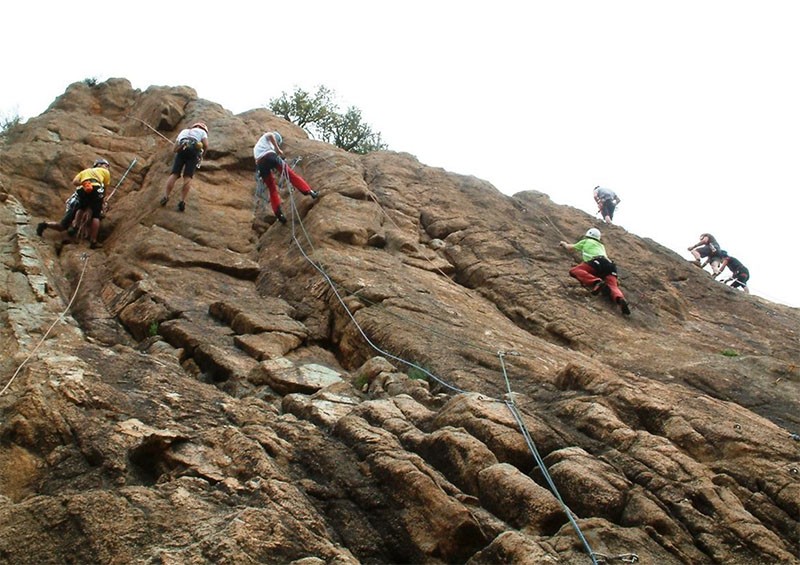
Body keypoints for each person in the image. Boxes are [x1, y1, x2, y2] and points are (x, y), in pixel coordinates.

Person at [36, 158, 111, 249]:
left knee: (79, 209)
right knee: (96, 216)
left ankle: (75, 227)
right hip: (95, 190)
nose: (107, 167)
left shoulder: (85, 171)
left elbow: (75, 182)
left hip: (81, 191)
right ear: (99, 165)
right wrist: (103, 199)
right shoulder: (104, 172)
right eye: (106, 165)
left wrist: (85, 184)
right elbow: (105, 187)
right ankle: (93, 241)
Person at [559, 227, 631, 315]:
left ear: (588, 234)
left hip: (597, 262)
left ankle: (597, 282)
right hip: (611, 266)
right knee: (613, 286)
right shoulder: (601, 246)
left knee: (575, 270)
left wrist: (564, 243)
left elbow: (570, 248)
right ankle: (620, 299)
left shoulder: (586, 241)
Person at [253, 131, 318, 224]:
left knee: (272, 189)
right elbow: (270, 135)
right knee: (290, 174)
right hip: (270, 156)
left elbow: (257, 161)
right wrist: (277, 149)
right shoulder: (267, 136)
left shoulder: (256, 147)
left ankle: (278, 213)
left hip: (260, 164)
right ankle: (309, 191)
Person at [160, 121, 209, 212]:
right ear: (203, 129)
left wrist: (180, 149)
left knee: (174, 174)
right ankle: (182, 201)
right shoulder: (202, 132)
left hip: (182, 149)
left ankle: (166, 196)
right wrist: (201, 156)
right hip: (194, 152)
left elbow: (175, 149)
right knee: (187, 177)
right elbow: (205, 145)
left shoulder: (184, 131)